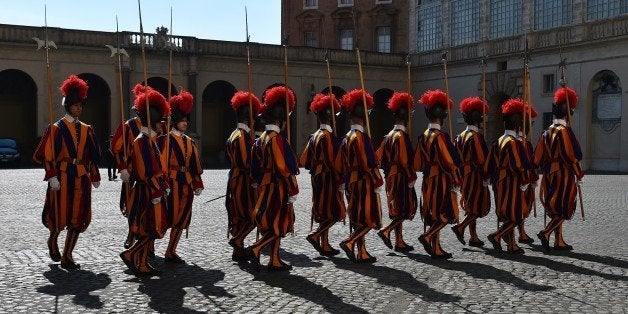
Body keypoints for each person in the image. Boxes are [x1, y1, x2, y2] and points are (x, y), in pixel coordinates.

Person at [33, 74, 102, 270]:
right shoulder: (56, 128)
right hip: (62, 175)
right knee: (59, 215)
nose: (78, 108)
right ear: (68, 106)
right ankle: (52, 239)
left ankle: (68, 255)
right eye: (75, 105)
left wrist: (95, 174)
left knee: (77, 217)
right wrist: (51, 175)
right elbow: (47, 155)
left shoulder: (87, 129)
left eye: (80, 105)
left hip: (81, 176)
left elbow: (92, 155)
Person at [246, 86, 299, 271]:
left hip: (264, 186)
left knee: (272, 223)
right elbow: (283, 168)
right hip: (277, 186)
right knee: (278, 222)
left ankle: (274, 259)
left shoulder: (259, 139)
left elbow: (254, 167)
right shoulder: (276, 139)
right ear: (280, 120)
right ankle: (256, 248)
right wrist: (293, 188)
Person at [119, 84, 170, 275]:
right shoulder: (143, 140)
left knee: (151, 228)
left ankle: (140, 262)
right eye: (159, 122)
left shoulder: (149, 140)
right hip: (147, 190)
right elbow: (147, 170)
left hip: (151, 188)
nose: (161, 126)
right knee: (150, 228)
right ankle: (131, 254)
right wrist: (158, 189)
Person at [534, 87, 584, 251]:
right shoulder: (565, 132)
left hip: (549, 174)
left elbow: (537, 158)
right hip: (563, 173)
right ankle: (547, 232)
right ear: (568, 112)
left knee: (555, 207)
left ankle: (559, 241)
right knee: (564, 207)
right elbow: (572, 156)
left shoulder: (546, 132)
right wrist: (579, 173)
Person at [336, 89, 383, 263]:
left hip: (350, 182)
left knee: (356, 217)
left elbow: (339, 163)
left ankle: (361, 251)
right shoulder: (361, 137)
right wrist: (377, 179)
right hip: (363, 181)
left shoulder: (346, 137)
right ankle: (350, 243)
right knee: (370, 218)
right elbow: (368, 162)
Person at [413, 90, 461, 259]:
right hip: (441, 178)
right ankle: (427, 237)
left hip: (428, 179)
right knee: (444, 213)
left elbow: (417, 163)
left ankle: (437, 247)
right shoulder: (441, 136)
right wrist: (456, 177)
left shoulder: (423, 136)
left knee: (433, 214)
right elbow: (449, 161)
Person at [158, 90, 204, 263]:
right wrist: (164, 183)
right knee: (166, 218)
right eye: (182, 121)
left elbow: (194, 165)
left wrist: (197, 182)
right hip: (171, 183)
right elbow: (162, 164)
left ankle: (171, 250)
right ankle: (147, 249)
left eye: (186, 121)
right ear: (175, 122)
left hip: (186, 184)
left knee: (182, 218)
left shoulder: (190, 142)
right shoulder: (165, 140)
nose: (185, 124)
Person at [484, 98, 533, 254]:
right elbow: (520, 165)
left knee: (506, 214)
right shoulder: (514, 142)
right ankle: (497, 236)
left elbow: (488, 165)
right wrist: (525, 180)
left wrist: (489, 179)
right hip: (511, 182)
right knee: (516, 215)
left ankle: (511, 245)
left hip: (498, 181)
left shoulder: (497, 141)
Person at [300, 93, 345, 256]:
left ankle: (324, 244)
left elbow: (304, 160)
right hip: (328, 177)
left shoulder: (315, 136)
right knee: (334, 212)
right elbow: (334, 162)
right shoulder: (327, 137)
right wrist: (340, 179)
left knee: (324, 211)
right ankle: (316, 236)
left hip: (317, 177)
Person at [375, 92, 417, 252]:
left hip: (390, 177)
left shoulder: (389, 136)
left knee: (397, 208)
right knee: (404, 208)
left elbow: (379, 157)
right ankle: (386, 231)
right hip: (401, 176)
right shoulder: (401, 136)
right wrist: (411, 176)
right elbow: (405, 161)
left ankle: (399, 241)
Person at [225, 90, 261, 261]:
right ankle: (237, 240)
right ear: (249, 118)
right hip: (244, 180)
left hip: (236, 178)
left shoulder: (235, 134)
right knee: (253, 216)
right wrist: (256, 178)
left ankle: (238, 252)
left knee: (240, 217)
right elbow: (247, 163)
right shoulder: (242, 136)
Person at [450, 97, 491, 247]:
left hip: (463, 175)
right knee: (477, 206)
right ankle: (461, 228)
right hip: (475, 175)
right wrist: (487, 175)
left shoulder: (459, 136)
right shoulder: (476, 137)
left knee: (470, 205)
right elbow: (482, 159)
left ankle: (473, 236)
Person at [110, 85, 144, 249]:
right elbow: (116, 148)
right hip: (132, 171)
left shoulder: (156, 126)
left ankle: (146, 240)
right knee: (132, 205)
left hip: (151, 172)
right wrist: (122, 168)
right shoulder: (129, 125)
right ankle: (132, 232)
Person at [516, 104, 539, 244]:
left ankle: (520, 232)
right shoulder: (524, 143)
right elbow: (530, 165)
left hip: (511, 181)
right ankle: (521, 233)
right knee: (522, 207)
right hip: (523, 181)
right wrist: (533, 179)